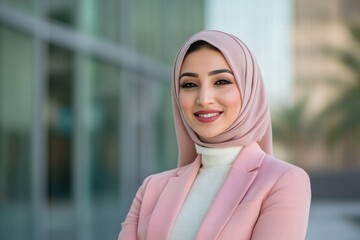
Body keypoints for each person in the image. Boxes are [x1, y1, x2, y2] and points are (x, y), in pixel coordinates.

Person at [118, 30, 311, 240]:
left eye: (221, 82)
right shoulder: (151, 189)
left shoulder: (282, 181)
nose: (204, 98)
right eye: (189, 85)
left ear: (248, 89)